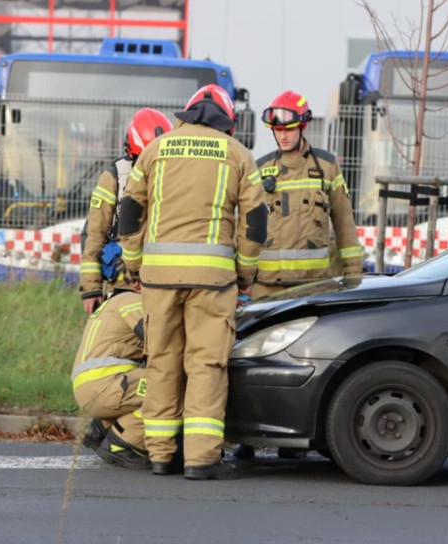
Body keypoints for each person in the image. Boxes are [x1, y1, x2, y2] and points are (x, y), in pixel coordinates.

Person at [119, 84, 267, 480]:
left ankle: (160, 456)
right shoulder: (237, 154)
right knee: (206, 364)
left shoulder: (156, 149)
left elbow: (130, 211)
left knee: (162, 362)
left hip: (157, 280)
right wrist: (245, 274)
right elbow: (255, 224)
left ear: (187, 112)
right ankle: (201, 460)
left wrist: (134, 266)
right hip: (213, 282)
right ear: (226, 121)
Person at [252, 90, 363, 299]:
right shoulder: (260, 168)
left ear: (303, 126)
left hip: (313, 287)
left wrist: (353, 275)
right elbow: (246, 227)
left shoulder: (327, 166)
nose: (283, 136)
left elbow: (344, 223)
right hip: (266, 287)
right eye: (277, 130)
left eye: (289, 129)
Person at [79, 108, 172, 314]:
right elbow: (94, 234)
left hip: (165, 285)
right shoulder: (114, 179)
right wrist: (91, 288)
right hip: (123, 286)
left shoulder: (175, 177)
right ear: (131, 152)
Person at [71, 279, 148, 470]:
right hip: (106, 386)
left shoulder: (117, 301)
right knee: (172, 385)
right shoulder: (135, 303)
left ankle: (104, 427)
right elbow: (163, 340)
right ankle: (122, 442)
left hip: (94, 387)